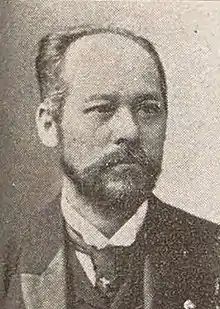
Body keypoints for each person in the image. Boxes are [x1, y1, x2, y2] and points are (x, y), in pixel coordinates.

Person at [1, 25, 219, 309]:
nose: (129, 131)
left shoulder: (213, 253)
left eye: (148, 108)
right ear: (49, 125)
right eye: (102, 108)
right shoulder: (9, 259)